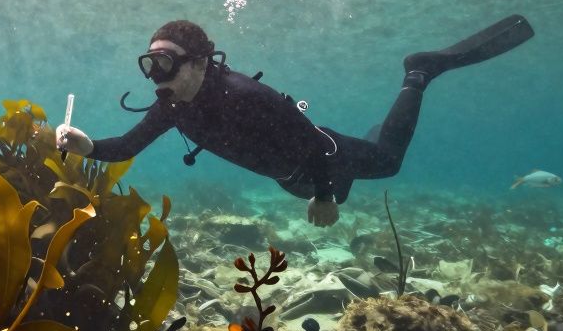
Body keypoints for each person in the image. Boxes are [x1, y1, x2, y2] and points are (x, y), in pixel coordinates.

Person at [54, 16, 533, 227]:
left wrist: (325, 195)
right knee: (370, 152)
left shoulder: (247, 97)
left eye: (166, 63)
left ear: (200, 62)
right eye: (149, 64)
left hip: (323, 161)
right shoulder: (174, 104)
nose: (155, 76)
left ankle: (419, 73)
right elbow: (126, 146)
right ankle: (391, 108)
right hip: (293, 178)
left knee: (386, 162)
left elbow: (317, 146)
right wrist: (86, 145)